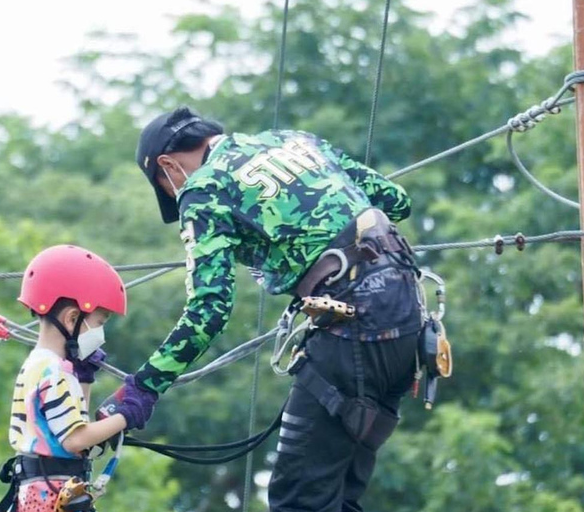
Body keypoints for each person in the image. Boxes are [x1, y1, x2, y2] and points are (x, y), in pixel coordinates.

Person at [97, 107, 423, 512]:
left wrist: (143, 388)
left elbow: (210, 308)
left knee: (297, 501)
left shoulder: (203, 189)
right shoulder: (294, 140)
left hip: (354, 330)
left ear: (167, 165)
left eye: (167, 188)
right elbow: (396, 200)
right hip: (408, 322)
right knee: (336, 499)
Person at [0, 244, 144, 512]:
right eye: (99, 323)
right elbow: (75, 439)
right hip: (49, 496)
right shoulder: (54, 371)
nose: (100, 334)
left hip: (39, 493)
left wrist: (84, 378)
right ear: (72, 318)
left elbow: (70, 423)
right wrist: (127, 415)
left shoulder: (40, 364)